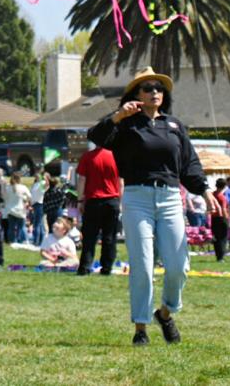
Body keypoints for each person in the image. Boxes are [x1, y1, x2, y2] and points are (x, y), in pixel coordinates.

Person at [88, 68, 213, 347]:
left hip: (170, 198)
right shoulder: (125, 125)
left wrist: (204, 190)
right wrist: (118, 116)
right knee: (143, 266)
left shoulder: (175, 126)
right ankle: (141, 328)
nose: (155, 92)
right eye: (147, 88)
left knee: (179, 266)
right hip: (137, 198)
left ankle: (165, 314)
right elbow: (96, 135)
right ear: (136, 95)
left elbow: (189, 164)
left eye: (159, 88)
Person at [75, 141, 121, 276]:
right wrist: (120, 202)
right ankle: (107, 267)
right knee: (109, 237)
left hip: (93, 201)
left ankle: (85, 267)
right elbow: (121, 181)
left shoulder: (87, 157)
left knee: (89, 236)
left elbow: (82, 180)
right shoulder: (116, 156)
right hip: (112, 200)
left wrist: (80, 200)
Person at [4, 173, 30, 244]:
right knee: (21, 227)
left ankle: (12, 241)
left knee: (11, 227)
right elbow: (29, 197)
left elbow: (4, 198)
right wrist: (25, 199)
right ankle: (22, 240)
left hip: (10, 210)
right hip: (20, 210)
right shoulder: (23, 187)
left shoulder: (8, 187)